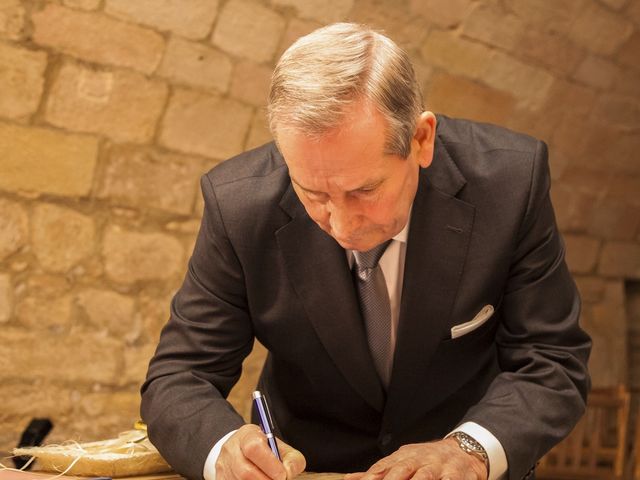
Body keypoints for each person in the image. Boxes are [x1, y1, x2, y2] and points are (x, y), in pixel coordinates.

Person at [140, 23, 591, 480]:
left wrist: (470, 449)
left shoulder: (510, 183)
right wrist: (224, 451)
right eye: (311, 193)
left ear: (421, 140)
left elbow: (551, 361)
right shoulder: (238, 205)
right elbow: (180, 376)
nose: (340, 223)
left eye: (364, 190)